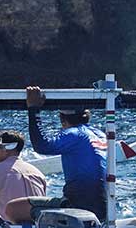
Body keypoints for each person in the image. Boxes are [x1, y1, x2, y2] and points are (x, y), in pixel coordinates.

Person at [23, 86, 109, 220]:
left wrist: (33, 109)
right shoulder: (101, 135)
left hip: (77, 206)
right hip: (103, 206)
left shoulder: (74, 134)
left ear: (63, 120)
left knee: (14, 208)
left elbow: (42, 146)